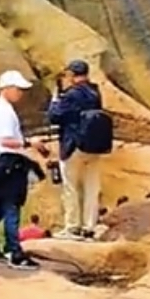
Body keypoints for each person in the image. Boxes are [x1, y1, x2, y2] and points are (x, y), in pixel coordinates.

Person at [49, 59, 107, 239]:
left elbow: (54, 116)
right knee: (91, 186)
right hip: (94, 145)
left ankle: (72, 226)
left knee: (71, 186)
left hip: (73, 145)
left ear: (73, 75)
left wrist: (55, 98)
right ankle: (89, 226)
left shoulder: (71, 95)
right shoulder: (95, 92)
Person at [0, 144, 45, 267]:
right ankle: (14, 253)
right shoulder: (25, 161)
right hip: (12, 179)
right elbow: (38, 176)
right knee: (11, 215)